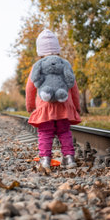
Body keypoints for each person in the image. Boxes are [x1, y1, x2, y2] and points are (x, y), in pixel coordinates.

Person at [25, 29, 82, 170]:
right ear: (57, 48)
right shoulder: (65, 64)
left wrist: (30, 106)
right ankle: (69, 158)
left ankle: (45, 160)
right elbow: (73, 86)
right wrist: (76, 106)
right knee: (64, 132)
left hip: (45, 107)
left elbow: (30, 88)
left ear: (40, 51)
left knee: (45, 133)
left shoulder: (37, 66)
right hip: (64, 106)